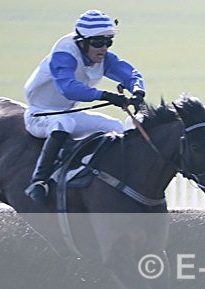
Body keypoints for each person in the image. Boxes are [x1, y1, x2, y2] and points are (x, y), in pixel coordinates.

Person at [23, 9, 146, 205]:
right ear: (82, 42)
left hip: (66, 113)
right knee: (63, 123)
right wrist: (105, 95)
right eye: (98, 42)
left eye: (108, 42)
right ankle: (39, 182)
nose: (104, 48)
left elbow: (129, 73)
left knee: (114, 126)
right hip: (40, 113)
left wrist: (138, 91)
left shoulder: (100, 56)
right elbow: (68, 88)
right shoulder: (64, 54)